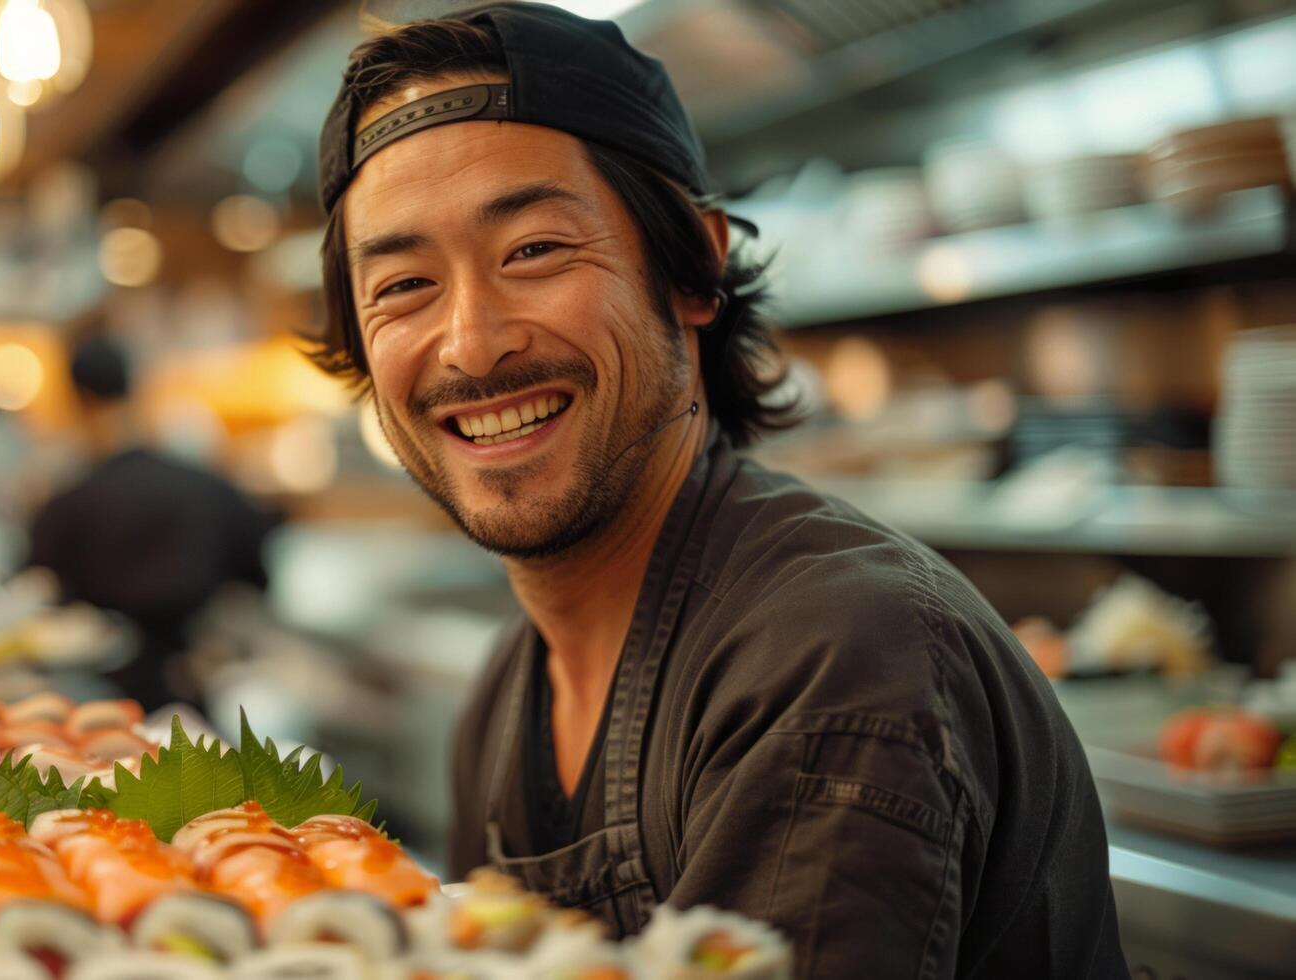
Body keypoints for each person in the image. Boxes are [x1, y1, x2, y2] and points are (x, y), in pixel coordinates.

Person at [309, 4, 1127, 977]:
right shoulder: (506, 690)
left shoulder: (835, 652)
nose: (472, 342)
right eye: (403, 286)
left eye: (533, 249)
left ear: (694, 267)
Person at [27, 336, 278, 709]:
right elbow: (259, 578)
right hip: (197, 694)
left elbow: (38, 596)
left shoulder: (67, 503)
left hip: (92, 703)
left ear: (76, 399)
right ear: (134, 388)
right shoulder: (208, 486)